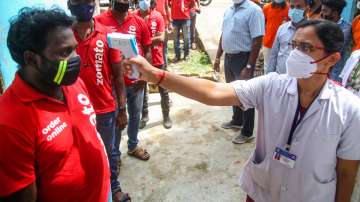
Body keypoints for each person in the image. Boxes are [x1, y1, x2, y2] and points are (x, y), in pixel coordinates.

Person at [125, 19, 360, 202]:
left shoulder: (349, 109)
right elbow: (212, 92)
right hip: (262, 193)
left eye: (306, 47)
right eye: (294, 45)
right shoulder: (272, 85)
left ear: (332, 59)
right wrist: (157, 75)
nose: (295, 53)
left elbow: (347, 173)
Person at [0, 7, 125, 202]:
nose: (76, 58)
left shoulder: (72, 82)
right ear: (31, 59)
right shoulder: (9, 122)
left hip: (104, 192)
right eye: (65, 52)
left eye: (74, 48)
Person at [67, 1, 130, 201]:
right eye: (77, 1)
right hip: (74, 110)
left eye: (87, 1)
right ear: (69, 4)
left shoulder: (107, 34)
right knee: (81, 154)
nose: (82, 5)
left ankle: (113, 187)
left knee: (109, 151)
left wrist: (122, 108)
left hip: (104, 109)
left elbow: (118, 76)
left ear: (93, 3)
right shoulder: (64, 36)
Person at [95, 0, 152, 162]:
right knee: (116, 121)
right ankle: (115, 155)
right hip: (113, 84)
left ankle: (133, 145)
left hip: (136, 81)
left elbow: (147, 49)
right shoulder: (99, 21)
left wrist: (145, 74)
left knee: (135, 115)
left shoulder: (139, 21)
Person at [213, 0, 264, 144]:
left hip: (243, 58)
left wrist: (249, 67)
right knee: (233, 91)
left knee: (246, 95)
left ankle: (247, 132)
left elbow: (258, 40)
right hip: (229, 57)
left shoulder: (254, 10)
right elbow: (224, 34)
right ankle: (237, 120)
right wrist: (218, 57)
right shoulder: (229, 10)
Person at [136, 0, 173, 129]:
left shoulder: (157, 16)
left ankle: (166, 116)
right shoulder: (135, 17)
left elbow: (161, 38)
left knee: (163, 87)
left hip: (157, 59)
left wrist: (144, 40)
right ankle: (144, 115)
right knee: (142, 88)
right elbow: (134, 38)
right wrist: (152, 39)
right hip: (141, 59)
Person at [267, 0, 307, 74]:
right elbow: (274, 54)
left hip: (300, 80)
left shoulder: (311, 31)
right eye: (292, 7)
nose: (294, 10)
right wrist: (269, 74)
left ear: (307, 9)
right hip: (280, 77)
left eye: (299, 7)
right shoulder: (282, 28)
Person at [320, 0, 351, 82]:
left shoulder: (345, 29)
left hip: (334, 75)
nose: (321, 14)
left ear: (334, 13)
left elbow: (333, 50)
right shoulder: (320, 24)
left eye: (325, 11)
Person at [262, 0, 289, 72]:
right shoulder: (266, 8)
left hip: (284, 44)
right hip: (269, 42)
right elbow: (262, 23)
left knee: (282, 65)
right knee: (268, 66)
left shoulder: (289, 8)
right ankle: (267, 82)